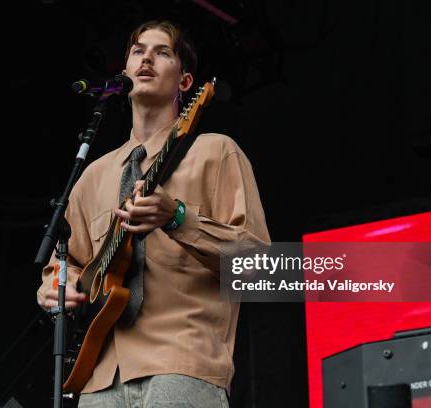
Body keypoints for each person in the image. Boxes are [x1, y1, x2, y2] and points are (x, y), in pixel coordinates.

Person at [37, 20, 270, 407]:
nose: (147, 58)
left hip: (182, 366)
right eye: (137, 51)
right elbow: (67, 265)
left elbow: (264, 268)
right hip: (97, 379)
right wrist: (54, 287)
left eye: (162, 52)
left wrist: (179, 218)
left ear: (185, 82)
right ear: (125, 73)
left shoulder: (215, 152)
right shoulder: (92, 177)